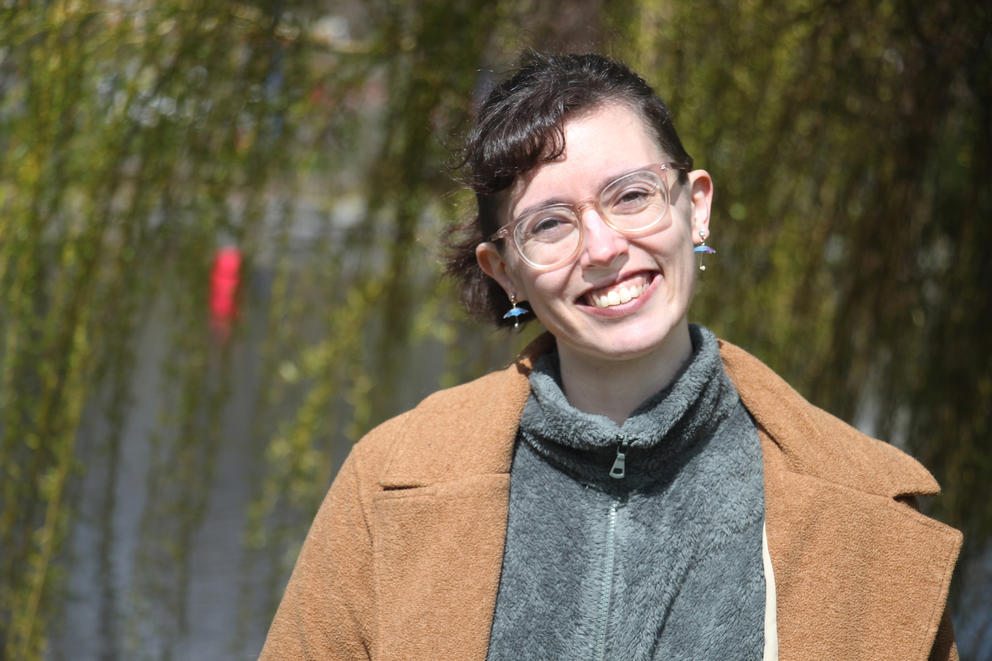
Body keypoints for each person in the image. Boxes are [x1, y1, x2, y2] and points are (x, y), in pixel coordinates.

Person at [259, 53, 961, 660]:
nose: (602, 248)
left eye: (632, 196)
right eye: (550, 224)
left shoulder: (866, 517)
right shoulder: (387, 486)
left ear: (697, 208)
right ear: (504, 271)